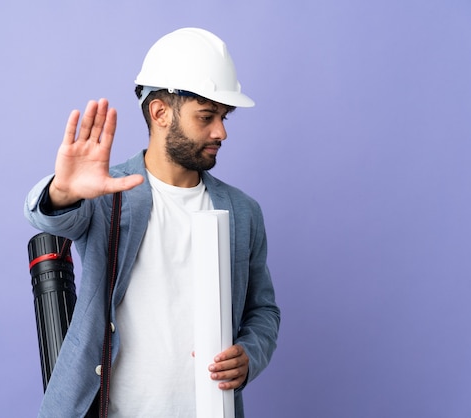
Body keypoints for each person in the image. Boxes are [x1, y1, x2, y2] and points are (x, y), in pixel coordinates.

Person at [24, 27, 280, 418]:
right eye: (207, 117)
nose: (221, 132)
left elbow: (263, 311)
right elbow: (47, 215)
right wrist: (63, 190)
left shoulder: (243, 212)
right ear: (160, 112)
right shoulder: (108, 195)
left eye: (224, 117)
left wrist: (249, 354)